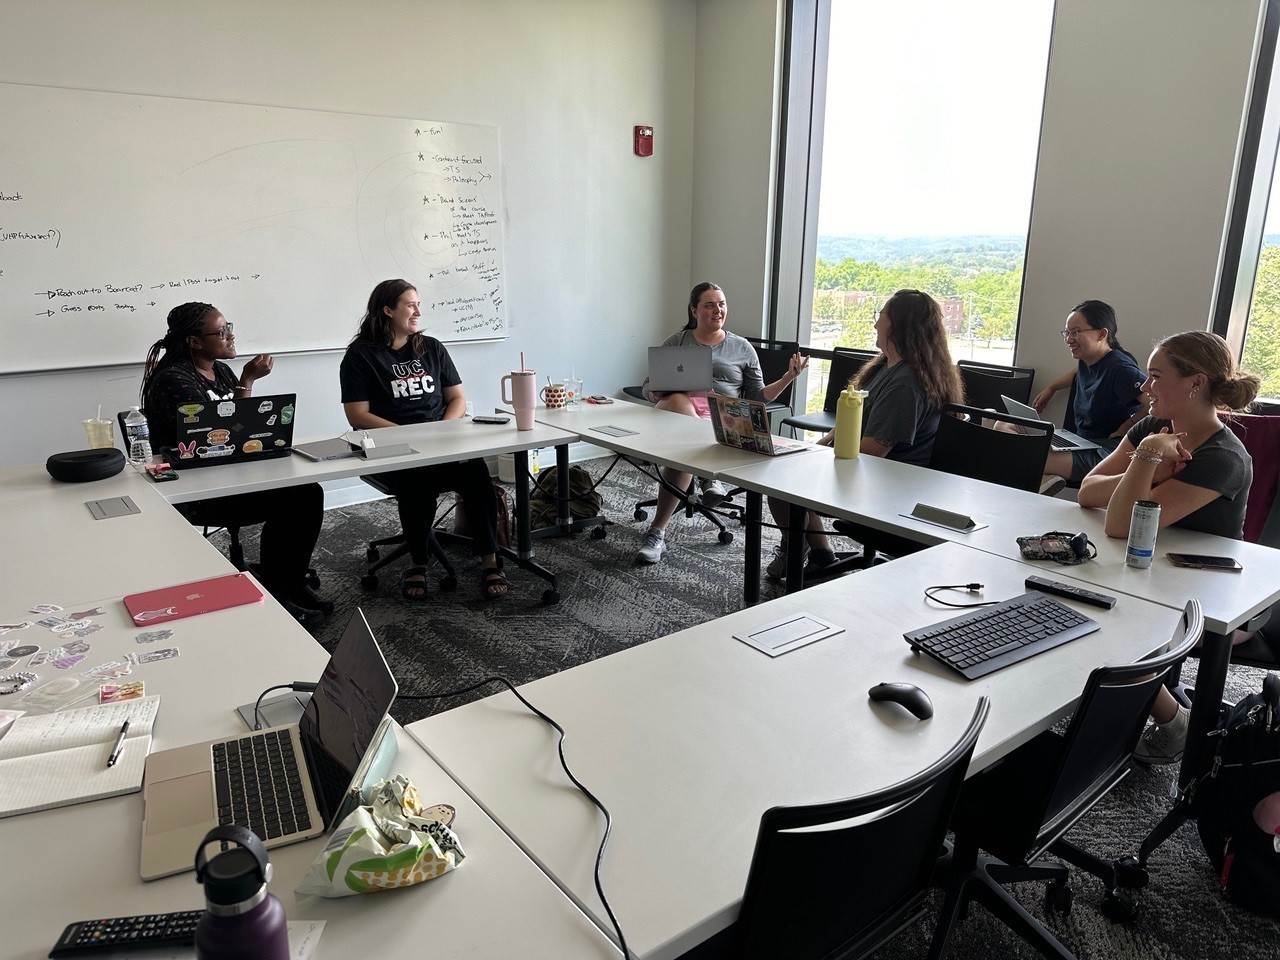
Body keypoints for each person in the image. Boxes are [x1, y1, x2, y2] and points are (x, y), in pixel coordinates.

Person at [1079, 330, 1259, 764]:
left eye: (1156, 376)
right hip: (1150, 569)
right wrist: (1154, 471)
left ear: (1195, 383)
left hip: (1213, 593)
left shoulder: (1223, 458)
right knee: (1073, 606)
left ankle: (1174, 721)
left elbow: (1121, 523)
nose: (1144, 387)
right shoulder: (1154, 426)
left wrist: (1144, 459)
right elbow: (1088, 490)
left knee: (1098, 625)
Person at [140, 302, 330, 628]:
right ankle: (279, 594)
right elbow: (216, 433)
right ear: (194, 341)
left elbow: (244, 430)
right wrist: (248, 380)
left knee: (308, 492)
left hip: (231, 473)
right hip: (197, 487)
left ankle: (291, 581)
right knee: (296, 500)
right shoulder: (174, 379)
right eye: (222, 331)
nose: (230, 336)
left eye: (230, 327)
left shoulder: (220, 371)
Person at [765, 289, 964, 578]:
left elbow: (872, 451)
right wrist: (817, 447)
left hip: (888, 486)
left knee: (779, 485)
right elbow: (852, 420)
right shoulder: (888, 365)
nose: (875, 324)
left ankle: (797, 551)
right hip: (881, 475)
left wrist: (816, 460)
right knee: (783, 475)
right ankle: (819, 554)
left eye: (880, 317)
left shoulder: (905, 385)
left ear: (897, 325)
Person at [340, 278, 507, 599]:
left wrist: (441, 432)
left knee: (476, 472)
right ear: (388, 310)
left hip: (440, 444)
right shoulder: (361, 356)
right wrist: (411, 437)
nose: (418, 311)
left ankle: (490, 558)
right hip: (393, 449)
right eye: (410, 305)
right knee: (415, 478)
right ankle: (418, 562)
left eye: (418, 304)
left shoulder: (431, 347)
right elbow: (357, 415)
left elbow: (457, 398)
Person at [636, 282, 807, 564]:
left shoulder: (741, 347)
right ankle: (704, 478)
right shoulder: (677, 342)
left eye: (722, 304)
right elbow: (647, 386)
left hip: (724, 420)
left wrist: (788, 378)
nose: (718, 310)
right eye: (709, 304)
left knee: (683, 454)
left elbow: (757, 397)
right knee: (678, 401)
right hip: (680, 417)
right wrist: (655, 391)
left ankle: (657, 531)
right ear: (694, 310)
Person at [1029, 300, 1147, 481]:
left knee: (1030, 455)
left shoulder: (1120, 368)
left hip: (1106, 450)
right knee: (1003, 426)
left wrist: (1128, 426)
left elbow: (1152, 403)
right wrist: (1052, 387)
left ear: (1102, 334)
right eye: (1067, 332)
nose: (1069, 339)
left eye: (1075, 332)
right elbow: (1075, 374)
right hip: (1080, 442)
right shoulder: (1089, 359)